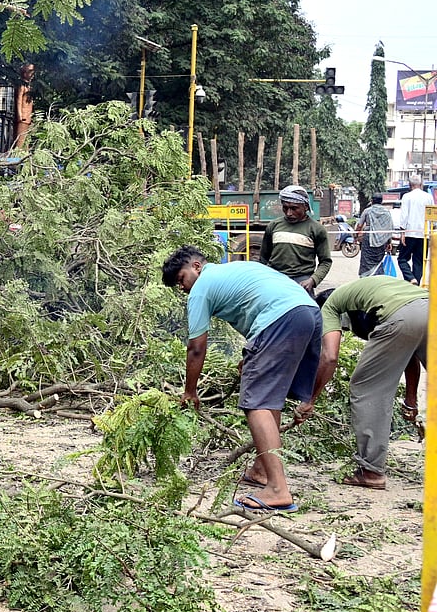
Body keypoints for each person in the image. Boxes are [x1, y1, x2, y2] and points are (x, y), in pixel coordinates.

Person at [162, 245, 321, 512]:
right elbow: (261, 300)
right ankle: (261, 469)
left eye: (181, 279)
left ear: (196, 267)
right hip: (307, 312)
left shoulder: (202, 287)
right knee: (270, 400)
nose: (183, 288)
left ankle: (278, 489)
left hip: (280, 318)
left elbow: (197, 347)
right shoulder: (238, 268)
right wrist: (254, 353)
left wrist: (190, 391)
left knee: (255, 403)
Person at [310, 277, 427, 489]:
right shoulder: (372, 296)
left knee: (367, 388)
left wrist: (310, 399)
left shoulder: (330, 305)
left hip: (403, 316)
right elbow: (408, 352)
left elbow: (329, 357)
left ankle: (371, 470)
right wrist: (410, 400)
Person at [259, 185, 332, 296]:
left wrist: (312, 280)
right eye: (285, 208)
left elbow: (325, 262)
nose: (289, 213)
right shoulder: (273, 226)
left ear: (306, 207)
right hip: (275, 280)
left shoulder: (317, 229)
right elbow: (264, 258)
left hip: (301, 283)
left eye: (294, 208)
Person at [397, 175, 432, 284]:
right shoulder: (428, 197)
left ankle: (411, 278)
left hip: (409, 233)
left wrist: (402, 232)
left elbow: (404, 216)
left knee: (402, 259)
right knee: (419, 262)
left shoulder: (407, 196)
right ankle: (415, 283)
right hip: (424, 233)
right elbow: (431, 215)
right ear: (421, 185)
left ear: (410, 185)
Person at [354, 193, 394, 277]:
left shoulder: (368, 211)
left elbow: (359, 225)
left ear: (371, 201)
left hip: (369, 239)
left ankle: (366, 279)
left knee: (366, 261)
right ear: (381, 201)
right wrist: (389, 242)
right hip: (382, 240)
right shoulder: (386, 212)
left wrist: (356, 235)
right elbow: (389, 228)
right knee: (378, 261)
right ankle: (377, 278)